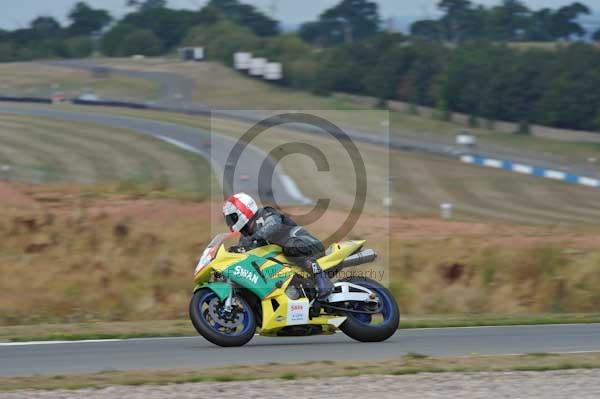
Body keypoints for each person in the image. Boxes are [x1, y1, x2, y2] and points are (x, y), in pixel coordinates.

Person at [222, 192, 333, 299]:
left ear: (243, 210)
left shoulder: (265, 213)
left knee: (290, 247)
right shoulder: (245, 237)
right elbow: (245, 256)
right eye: (228, 220)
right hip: (289, 264)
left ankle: (322, 279)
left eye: (232, 218)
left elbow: (273, 224)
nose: (230, 223)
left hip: (308, 246)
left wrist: (255, 238)